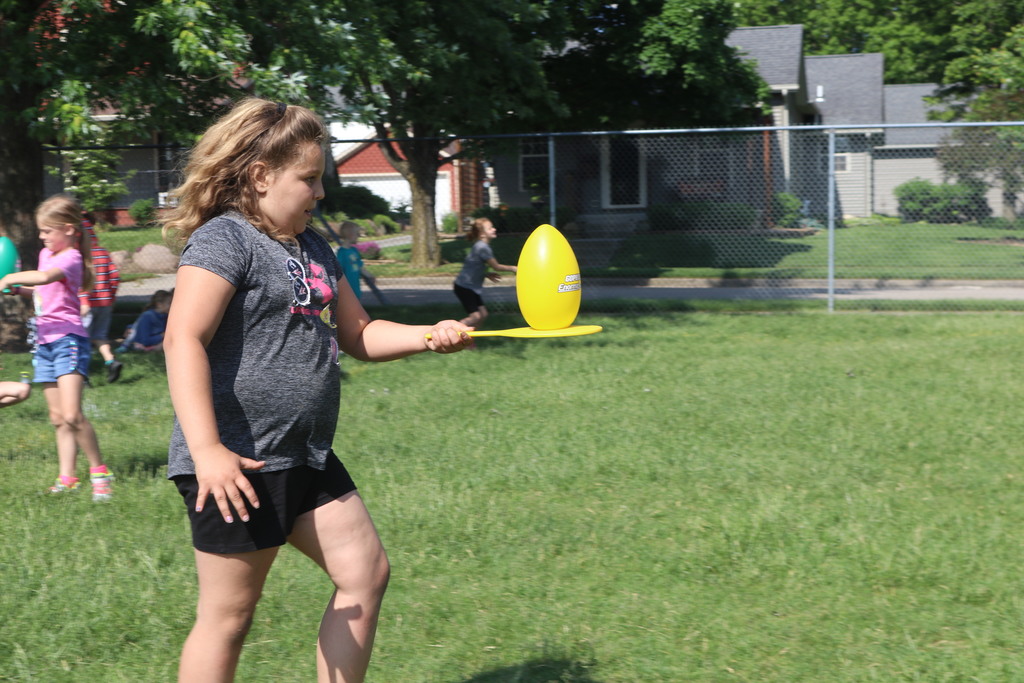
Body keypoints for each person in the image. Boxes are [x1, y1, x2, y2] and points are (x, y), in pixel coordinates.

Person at [161, 97, 472, 683]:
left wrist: (430, 334)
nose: (320, 192)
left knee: (365, 574)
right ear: (259, 176)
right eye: (308, 178)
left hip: (305, 452)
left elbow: (358, 332)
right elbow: (183, 340)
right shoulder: (226, 240)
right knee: (228, 618)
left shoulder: (313, 248)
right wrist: (207, 452)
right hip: (238, 463)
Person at [0, 194, 114, 501]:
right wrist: (17, 289)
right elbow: (40, 291)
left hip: (68, 341)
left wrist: (9, 275)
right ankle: (68, 478)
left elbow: (46, 278)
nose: (41, 236)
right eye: (41, 231)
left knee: (73, 414)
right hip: (44, 341)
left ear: (67, 229)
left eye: (47, 231)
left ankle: (100, 473)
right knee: (57, 417)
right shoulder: (47, 255)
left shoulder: (71, 257)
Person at [78, 212, 123, 382]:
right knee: (100, 337)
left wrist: (82, 299)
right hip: (105, 304)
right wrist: (111, 297)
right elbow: (114, 276)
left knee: (82, 340)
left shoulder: (81, 256)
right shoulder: (103, 253)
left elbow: (79, 281)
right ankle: (111, 361)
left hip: (86, 305)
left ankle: (82, 376)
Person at [452, 217, 517, 329]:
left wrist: (485, 274)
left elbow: (473, 266)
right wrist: (514, 268)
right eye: (490, 228)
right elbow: (496, 266)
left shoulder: (480, 246)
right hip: (465, 287)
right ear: (482, 234)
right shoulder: (483, 248)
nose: (494, 229)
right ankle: (452, 330)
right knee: (475, 316)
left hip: (470, 287)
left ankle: (470, 340)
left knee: (483, 314)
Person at [334, 221, 376, 301]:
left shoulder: (354, 251)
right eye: (357, 233)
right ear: (351, 234)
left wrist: (369, 275)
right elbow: (339, 272)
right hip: (346, 290)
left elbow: (360, 267)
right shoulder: (342, 253)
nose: (358, 236)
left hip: (355, 288)